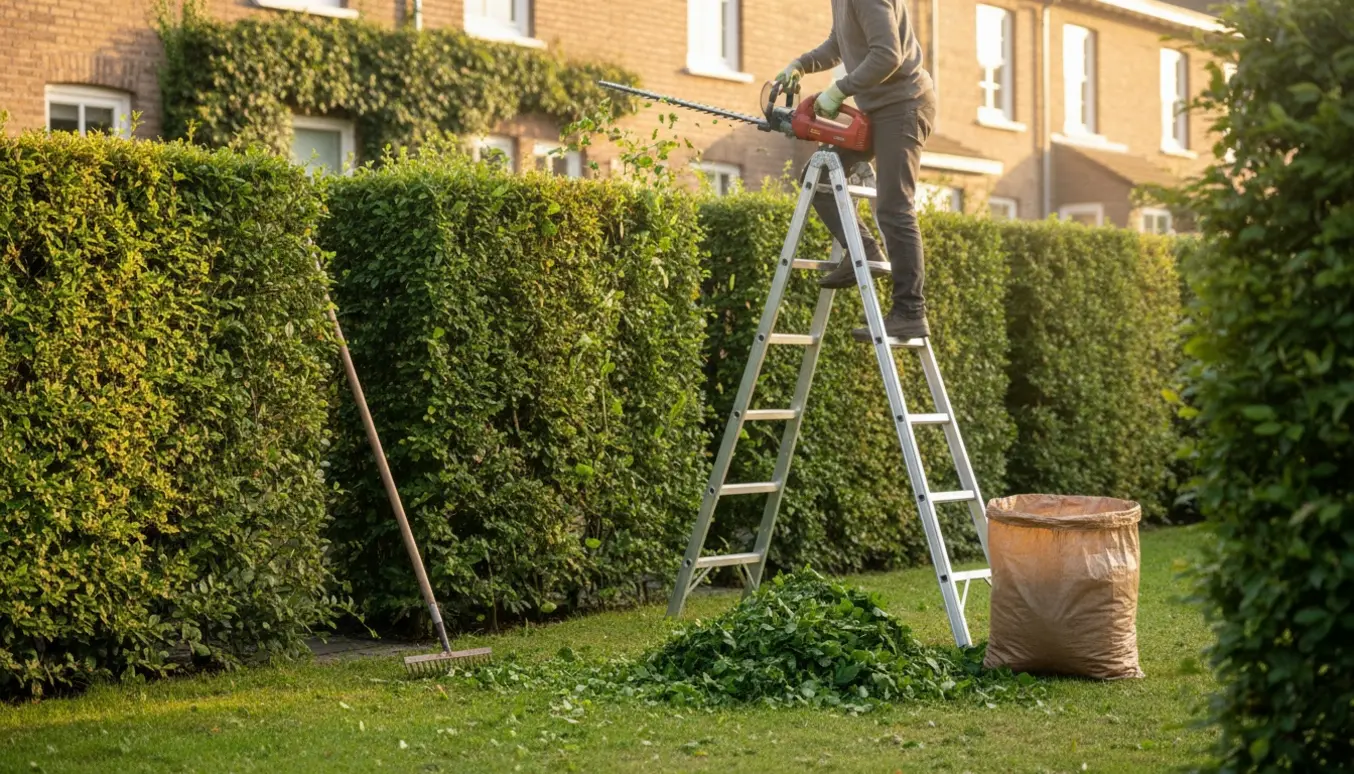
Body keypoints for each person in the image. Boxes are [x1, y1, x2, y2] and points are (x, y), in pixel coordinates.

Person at [776, 0, 938, 340]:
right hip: (876, 109)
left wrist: (840, 88)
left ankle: (910, 312)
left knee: (895, 207)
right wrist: (801, 64)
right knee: (819, 176)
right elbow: (839, 43)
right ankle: (863, 248)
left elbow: (888, 54)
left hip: (903, 105)